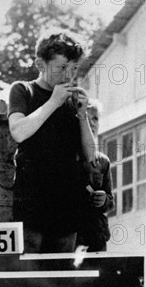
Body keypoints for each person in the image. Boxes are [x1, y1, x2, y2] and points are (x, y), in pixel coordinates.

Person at [8, 31, 96, 253]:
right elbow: (18, 132)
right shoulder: (23, 90)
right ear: (40, 64)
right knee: (29, 279)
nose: (68, 76)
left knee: (60, 280)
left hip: (67, 208)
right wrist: (54, 102)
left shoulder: (71, 101)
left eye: (74, 69)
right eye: (61, 68)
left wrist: (82, 115)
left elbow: (91, 155)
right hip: (32, 207)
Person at [76, 100, 114, 252]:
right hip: (71, 234)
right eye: (86, 117)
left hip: (96, 235)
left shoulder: (103, 161)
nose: (91, 122)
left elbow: (111, 202)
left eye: (95, 118)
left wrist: (104, 199)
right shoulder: (65, 158)